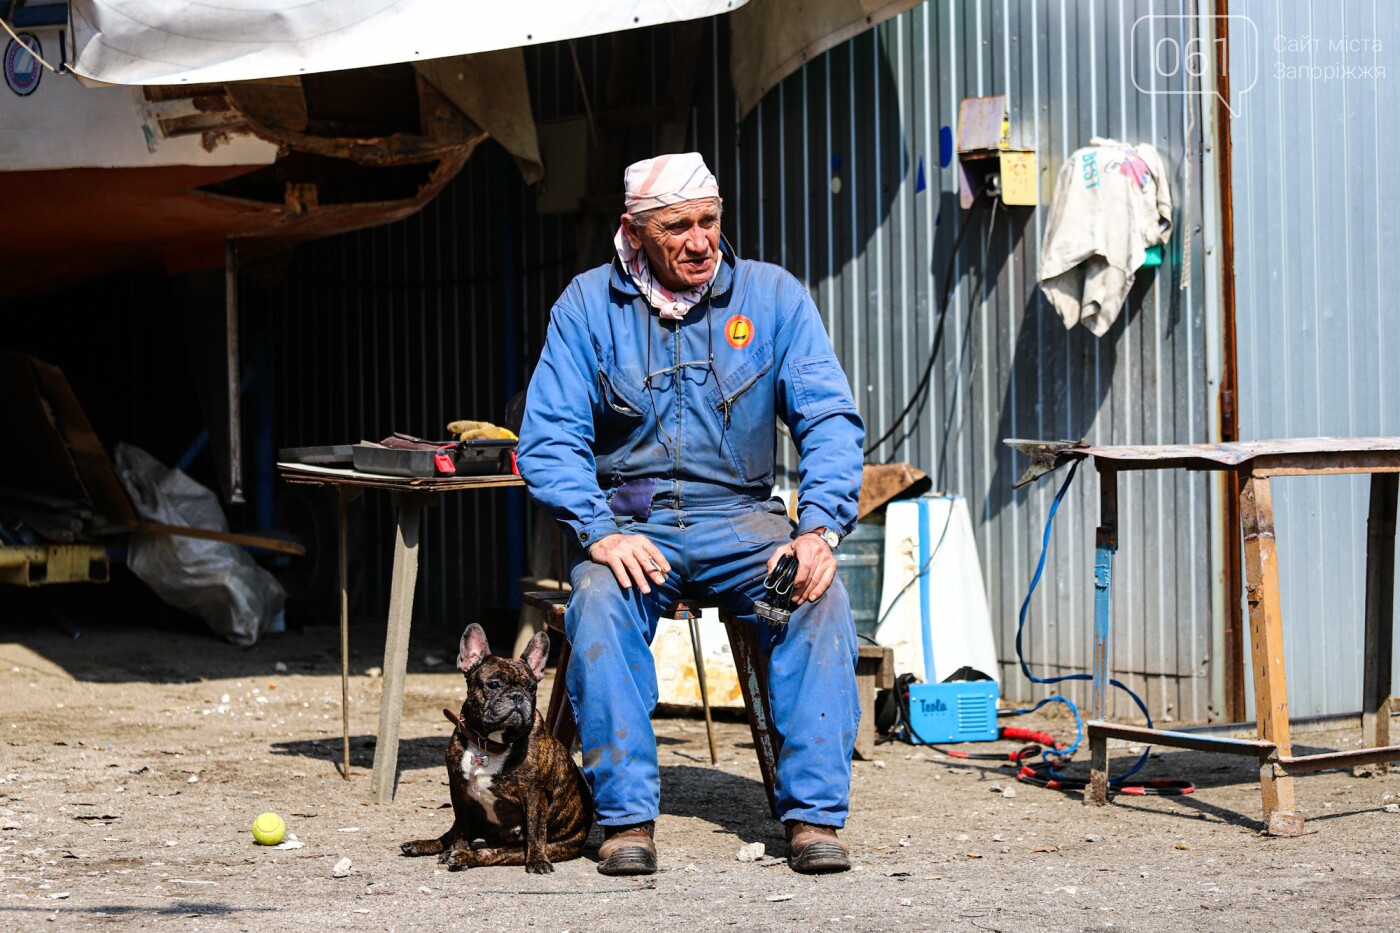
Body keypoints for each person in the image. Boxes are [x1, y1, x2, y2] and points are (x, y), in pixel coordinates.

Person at [517, 152, 864, 876]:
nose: (701, 241)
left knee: (817, 595)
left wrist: (819, 528)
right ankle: (626, 818)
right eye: (678, 226)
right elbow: (548, 439)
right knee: (601, 601)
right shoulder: (586, 306)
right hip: (631, 521)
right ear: (634, 232)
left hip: (743, 521)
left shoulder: (772, 298)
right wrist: (597, 529)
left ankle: (814, 817)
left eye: (710, 221)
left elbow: (829, 418)